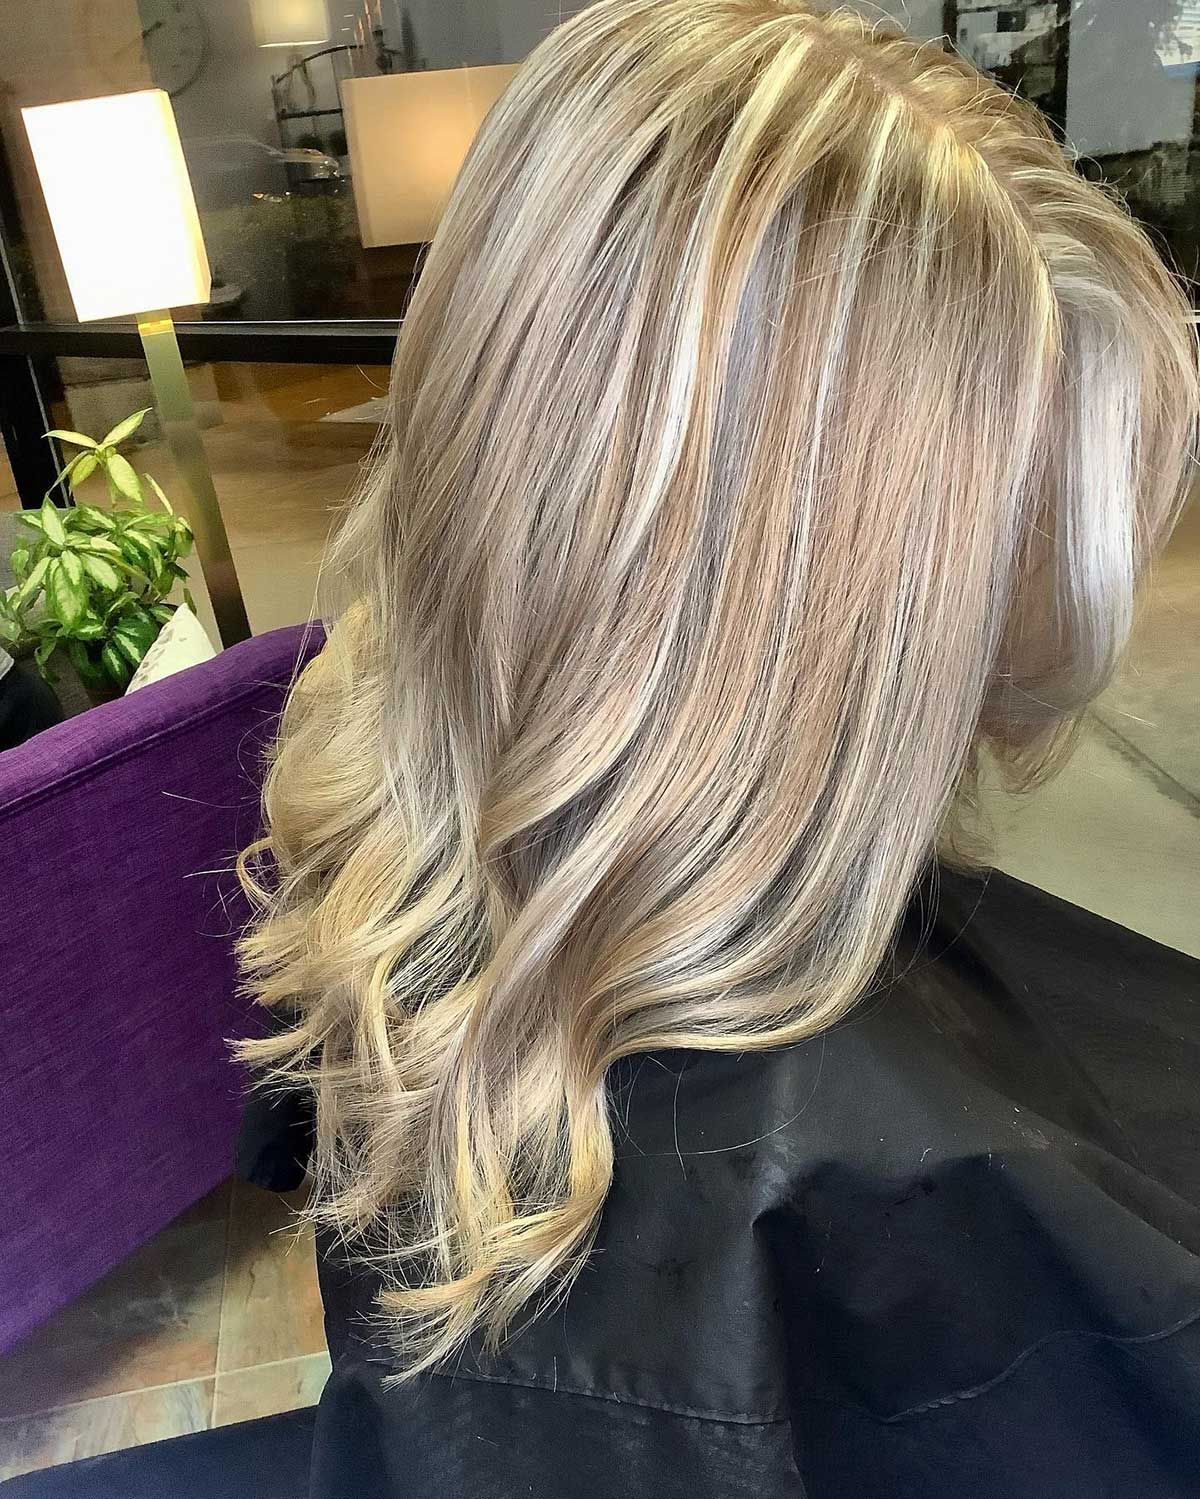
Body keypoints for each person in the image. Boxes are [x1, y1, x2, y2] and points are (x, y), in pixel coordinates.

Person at [235, 3, 1200, 1494]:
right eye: (974, 571)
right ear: (806, 627)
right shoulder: (864, 1190)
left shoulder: (404, 841)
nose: (986, 678)